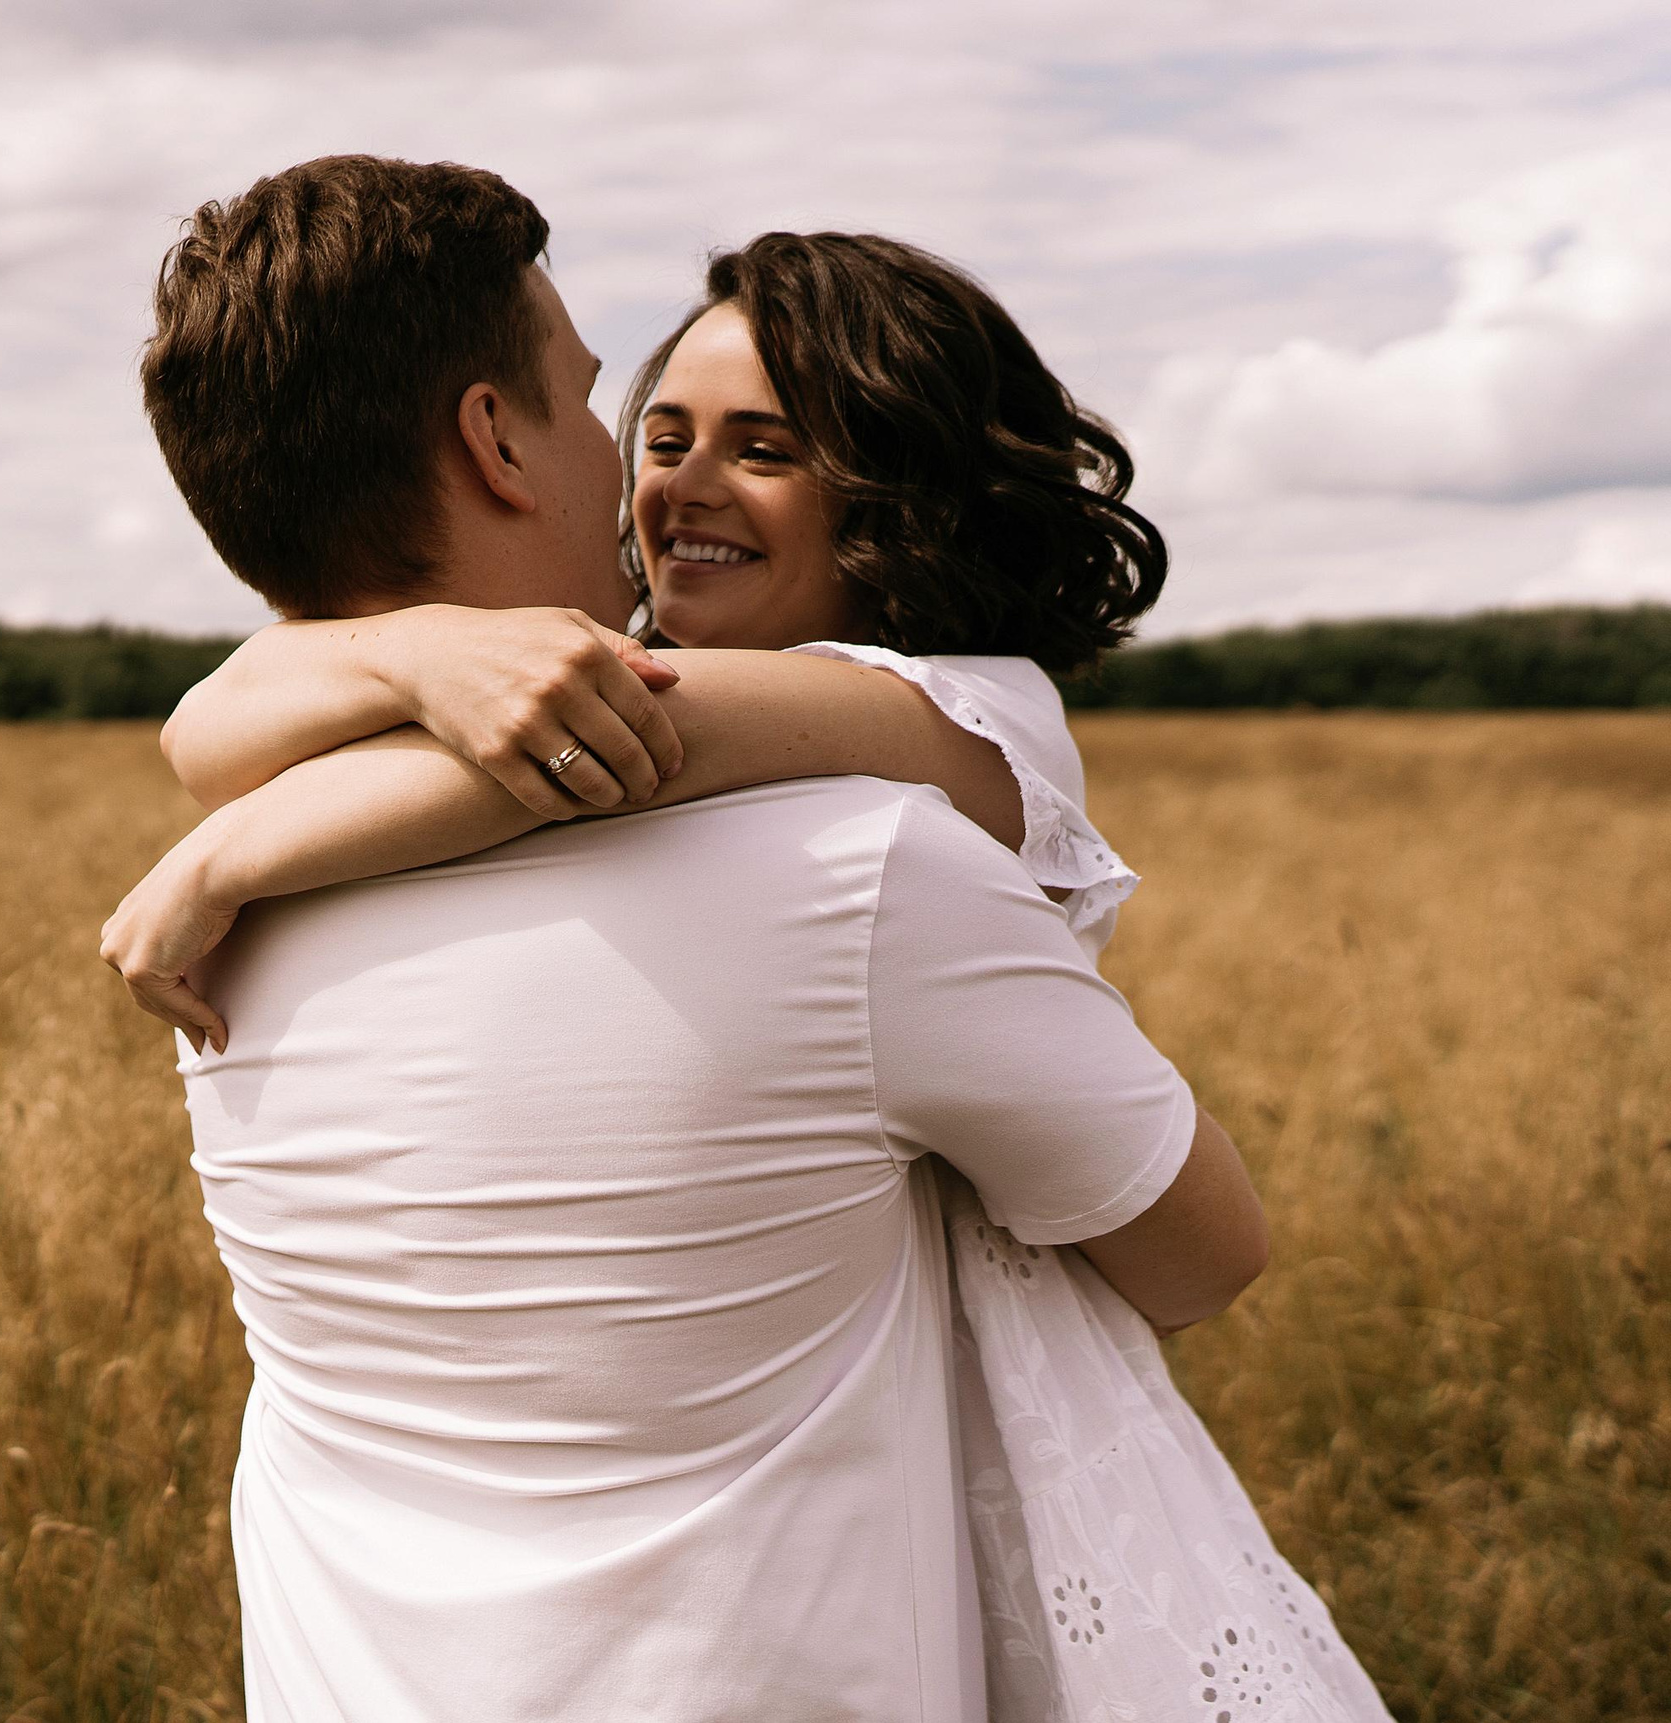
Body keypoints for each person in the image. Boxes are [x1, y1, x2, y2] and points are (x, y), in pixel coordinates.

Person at [114, 154, 1293, 1721]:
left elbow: (275, 725)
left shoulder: (263, 911)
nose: (654, 480)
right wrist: (413, 670)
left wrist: (243, 839)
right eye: (639, 422)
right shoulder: (864, 865)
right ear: (495, 437)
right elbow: (1202, 1253)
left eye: (769, 449)